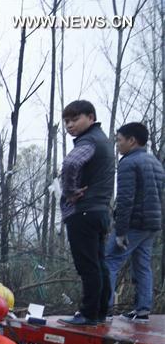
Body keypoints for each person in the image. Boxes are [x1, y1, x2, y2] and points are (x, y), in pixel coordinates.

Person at [59, 100, 116, 326]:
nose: (70, 125)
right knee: (99, 262)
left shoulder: (89, 140)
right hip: (100, 211)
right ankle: (101, 311)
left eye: (75, 119)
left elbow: (71, 163)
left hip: (84, 212)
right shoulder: (103, 140)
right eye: (66, 121)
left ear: (90, 117)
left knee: (88, 265)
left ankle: (88, 313)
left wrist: (70, 191)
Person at [104, 122, 165, 323]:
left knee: (109, 261)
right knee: (142, 265)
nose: (117, 145)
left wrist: (120, 231)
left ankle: (103, 309)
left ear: (132, 140)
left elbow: (125, 199)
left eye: (120, 140)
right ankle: (142, 311)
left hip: (134, 224)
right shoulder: (154, 162)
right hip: (151, 224)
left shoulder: (129, 163)